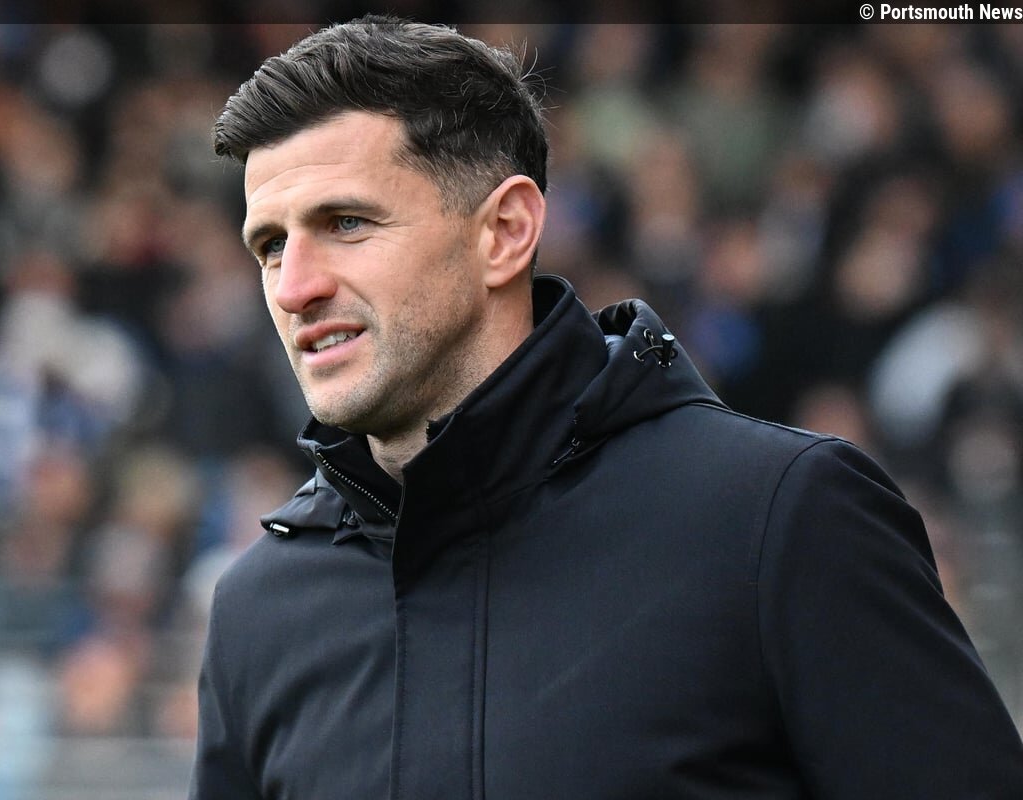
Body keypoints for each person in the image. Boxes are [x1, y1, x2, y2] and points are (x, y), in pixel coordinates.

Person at [190, 16, 1023, 799]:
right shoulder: (260, 612)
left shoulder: (778, 517)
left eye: (345, 222)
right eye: (271, 245)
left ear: (505, 231)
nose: (294, 287)